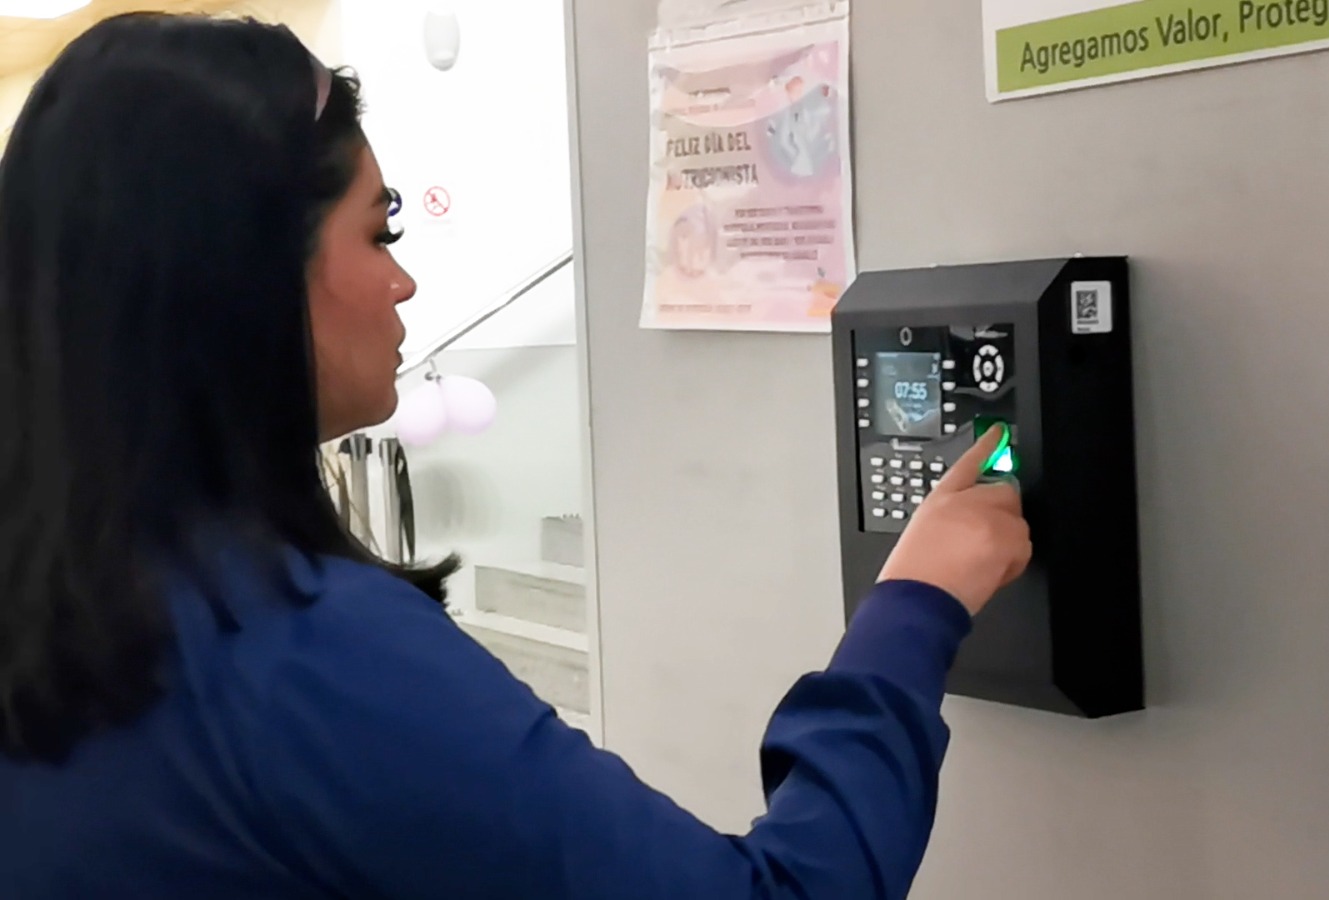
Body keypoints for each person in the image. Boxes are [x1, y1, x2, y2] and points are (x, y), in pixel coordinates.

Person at [0, 12, 1032, 899]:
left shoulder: (70, 613)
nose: (403, 284)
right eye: (380, 233)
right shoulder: (307, 660)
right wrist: (915, 606)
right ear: (245, 274)